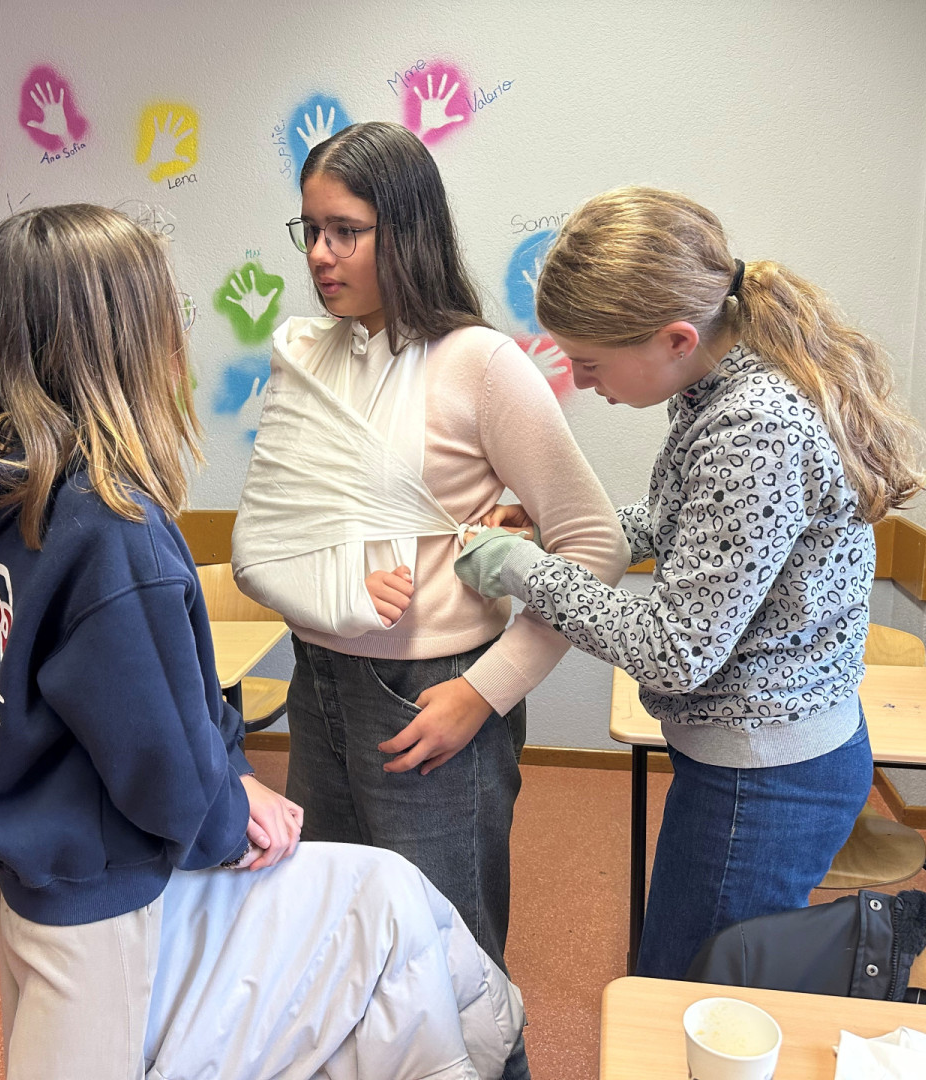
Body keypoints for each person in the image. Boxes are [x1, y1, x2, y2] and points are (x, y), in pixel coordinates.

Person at [0, 204, 523, 1080]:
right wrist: (227, 817)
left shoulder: (15, 490)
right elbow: (155, 746)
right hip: (92, 893)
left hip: (35, 864)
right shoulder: (114, 532)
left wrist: (229, 773)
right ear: (131, 343)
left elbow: (146, 705)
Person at [454, 186, 926, 980]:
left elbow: (675, 650)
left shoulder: (755, 427)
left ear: (676, 338)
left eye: (589, 362)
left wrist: (522, 569)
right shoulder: (716, 386)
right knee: (699, 985)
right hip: (762, 757)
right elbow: (697, 525)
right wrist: (560, 529)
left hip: (766, 773)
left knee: (691, 997)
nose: (580, 380)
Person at [231, 122, 629, 987]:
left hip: (431, 693)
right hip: (318, 682)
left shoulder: (479, 364)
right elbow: (274, 534)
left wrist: (485, 693)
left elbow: (595, 543)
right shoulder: (309, 359)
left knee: (448, 963)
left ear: (405, 230)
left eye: (346, 231)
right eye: (311, 230)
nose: (321, 254)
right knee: (338, 945)